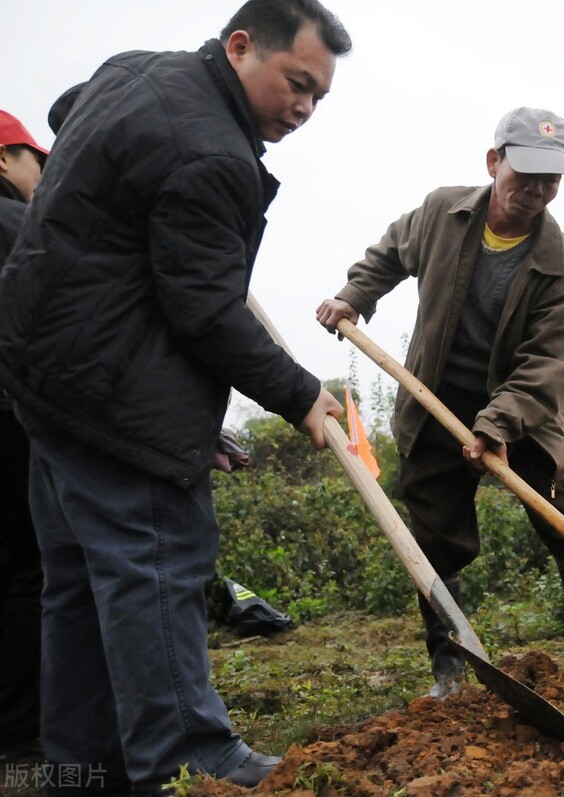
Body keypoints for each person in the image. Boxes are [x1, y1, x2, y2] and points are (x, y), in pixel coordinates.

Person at [0, 2, 351, 793]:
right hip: (115, 398)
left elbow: (67, 113)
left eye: (319, 97)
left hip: (43, 378)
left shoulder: (134, 71)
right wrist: (301, 396)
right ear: (239, 47)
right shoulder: (212, 154)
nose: (303, 108)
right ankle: (195, 753)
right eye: (297, 84)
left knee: (83, 587)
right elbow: (202, 309)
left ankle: (84, 769)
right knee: (157, 559)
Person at [316, 106, 564, 698]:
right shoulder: (443, 212)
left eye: (551, 181)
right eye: (526, 176)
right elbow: (389, 253)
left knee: (562, 522)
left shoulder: (559, 265)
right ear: (494, 162)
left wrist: (496, 425)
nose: (536, 192)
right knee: (434, 537)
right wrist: (353, 294)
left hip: (521, 415)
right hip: (432, 398)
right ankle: (451, 673)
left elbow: (548, 365)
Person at [0, 110, 49, 761]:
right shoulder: (15, 224)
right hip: (11, 416)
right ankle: (20, 730)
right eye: (36, 158)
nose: (43, 171)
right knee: (35, 568)